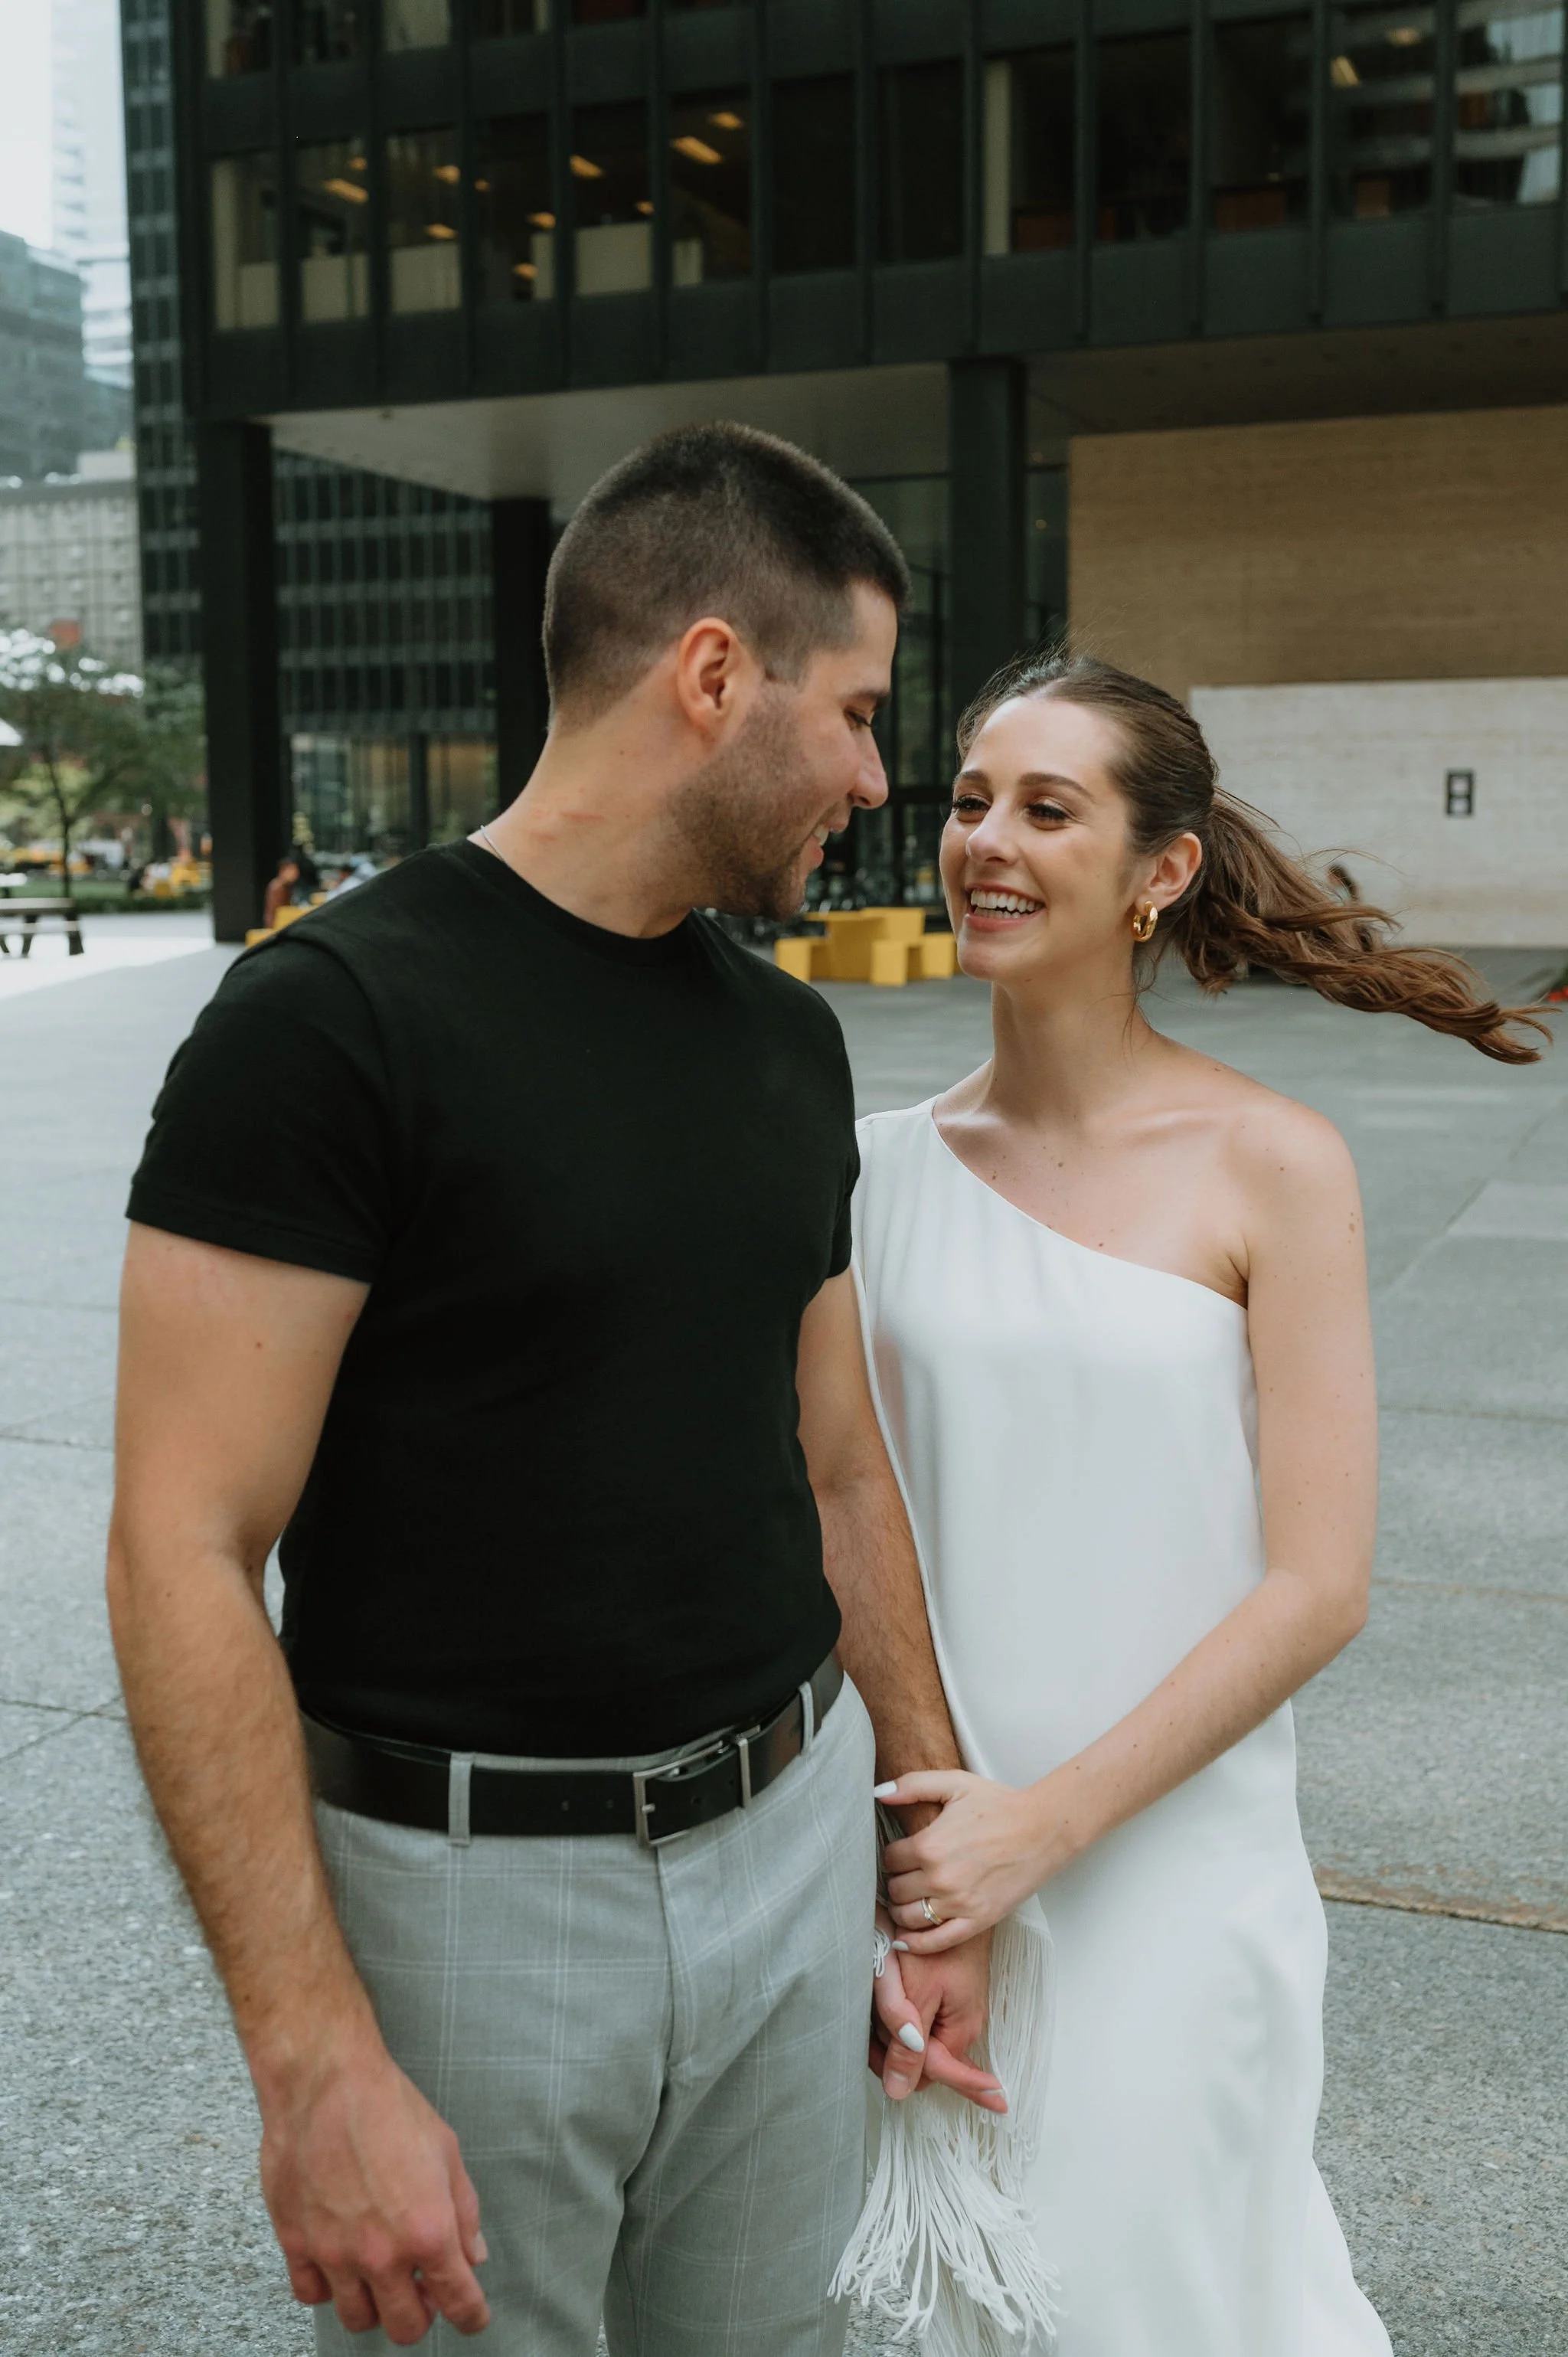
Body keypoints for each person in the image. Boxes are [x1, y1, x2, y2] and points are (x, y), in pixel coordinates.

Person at [106, 423, 1000, 2357]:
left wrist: (924, 1869)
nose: (873, 774)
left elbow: (839, 1472)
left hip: (787, 1846)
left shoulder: (782, 1042)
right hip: (465, 1909)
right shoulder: (329, 1021)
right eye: (852, 713)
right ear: (708, 676)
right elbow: (183, 1546)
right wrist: (312, 2063)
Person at [854, 653, 1546, 2355]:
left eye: (1046, 806)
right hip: (926, 1875)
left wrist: (1050, 1827)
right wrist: (932, 1862)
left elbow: (1318, 1586)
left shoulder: (1273, 1164)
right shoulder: (868, 1167)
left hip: (1167, 1867)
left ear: (1160, 870)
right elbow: (839, 1523)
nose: (984, 842)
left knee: (1173, 2297)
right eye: (965, 800)